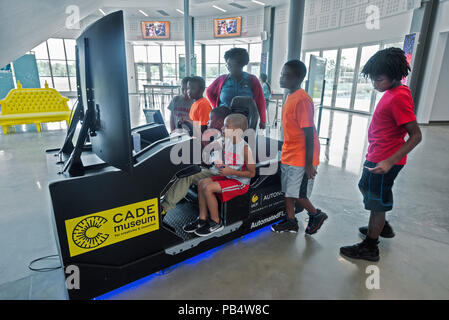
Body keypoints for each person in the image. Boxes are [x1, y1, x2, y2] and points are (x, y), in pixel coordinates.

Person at [340, 48, 422, 262]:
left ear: (395, 75)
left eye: (379, 79)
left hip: (384, 160)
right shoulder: (393, 93)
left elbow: (416, 136)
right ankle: (381, 225)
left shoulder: (398, 98)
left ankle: (370, 246)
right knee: (365, 187)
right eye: (373, 79)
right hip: (378, 155)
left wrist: (388, 161)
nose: (374, 84)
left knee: (376, 202)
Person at [271, 60, 328, 234]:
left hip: (302, 156)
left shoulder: (302, 99)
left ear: (299, 78)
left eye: (287, 75)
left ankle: (316, 214)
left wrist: (309, 164)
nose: (282, 78)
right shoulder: (290, 96)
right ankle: (291, 221)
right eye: (282, 74)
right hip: (290, 152)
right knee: (288, 191)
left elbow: (309, 133)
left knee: (298, 193)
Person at [183, 114, 256, 237]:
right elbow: (216, 156)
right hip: (229, 176)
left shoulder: (244, 149)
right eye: (223, 125)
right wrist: (216, 161)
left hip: (240, 183)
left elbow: (252, 173)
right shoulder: (225, 141)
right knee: (202, 183)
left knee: (209, 188)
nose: (222, 128)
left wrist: (230, 172)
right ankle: (202, 219)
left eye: (226, 126)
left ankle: (216, 222)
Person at [160, 106, 232, 215]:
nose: (208, 122)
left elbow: (215, 162)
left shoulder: (226, 139)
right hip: (212, 169)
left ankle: (164, 208)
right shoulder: (217, 136)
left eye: (210, 119)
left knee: (189, 175)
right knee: (183, 165)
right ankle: (163, 196)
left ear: (219, 122)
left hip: (220, 174)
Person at [206, 48, 267, 129]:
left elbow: (260, 101)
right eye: (227, 65)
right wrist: (217, 107)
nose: (228, 67)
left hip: (245, 121)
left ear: (240, 64)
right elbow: (209, 92)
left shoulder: (252, 80)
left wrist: (263, 120)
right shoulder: (222, 79)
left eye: (230, 65)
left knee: (243, 141)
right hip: (225, 122)